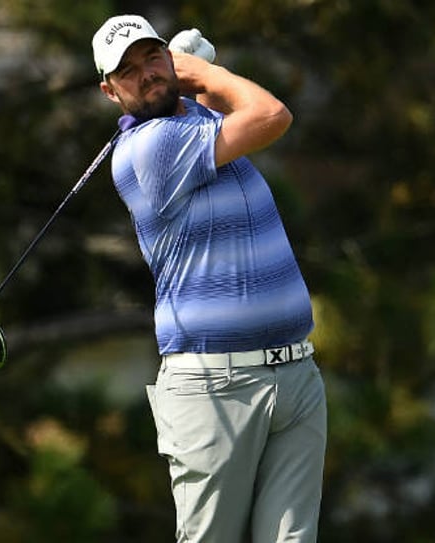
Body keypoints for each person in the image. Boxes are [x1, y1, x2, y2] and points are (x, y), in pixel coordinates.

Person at [91, 14, 328, 542]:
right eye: (128, 71)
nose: (147, 74)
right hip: (217, 388)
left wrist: (194, 82)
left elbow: (210, 116)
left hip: (295, 377)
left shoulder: (195, 130)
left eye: (153, 57)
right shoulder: (148, 150)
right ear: (110, 92)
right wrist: (198, 72)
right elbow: (270, 114)